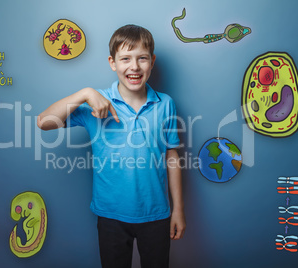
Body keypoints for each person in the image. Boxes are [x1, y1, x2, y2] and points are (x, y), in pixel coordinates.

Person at [37, 24, 186, 268]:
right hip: (110, 216)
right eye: (125, 58)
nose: (134, 66)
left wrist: (178, 209)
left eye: (142, 59)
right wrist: (85, 93)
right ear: (112, 62)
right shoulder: (96, 103)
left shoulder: (165, 104)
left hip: (157, 214)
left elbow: (172, 156)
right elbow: (43, 122)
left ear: (152, 61)